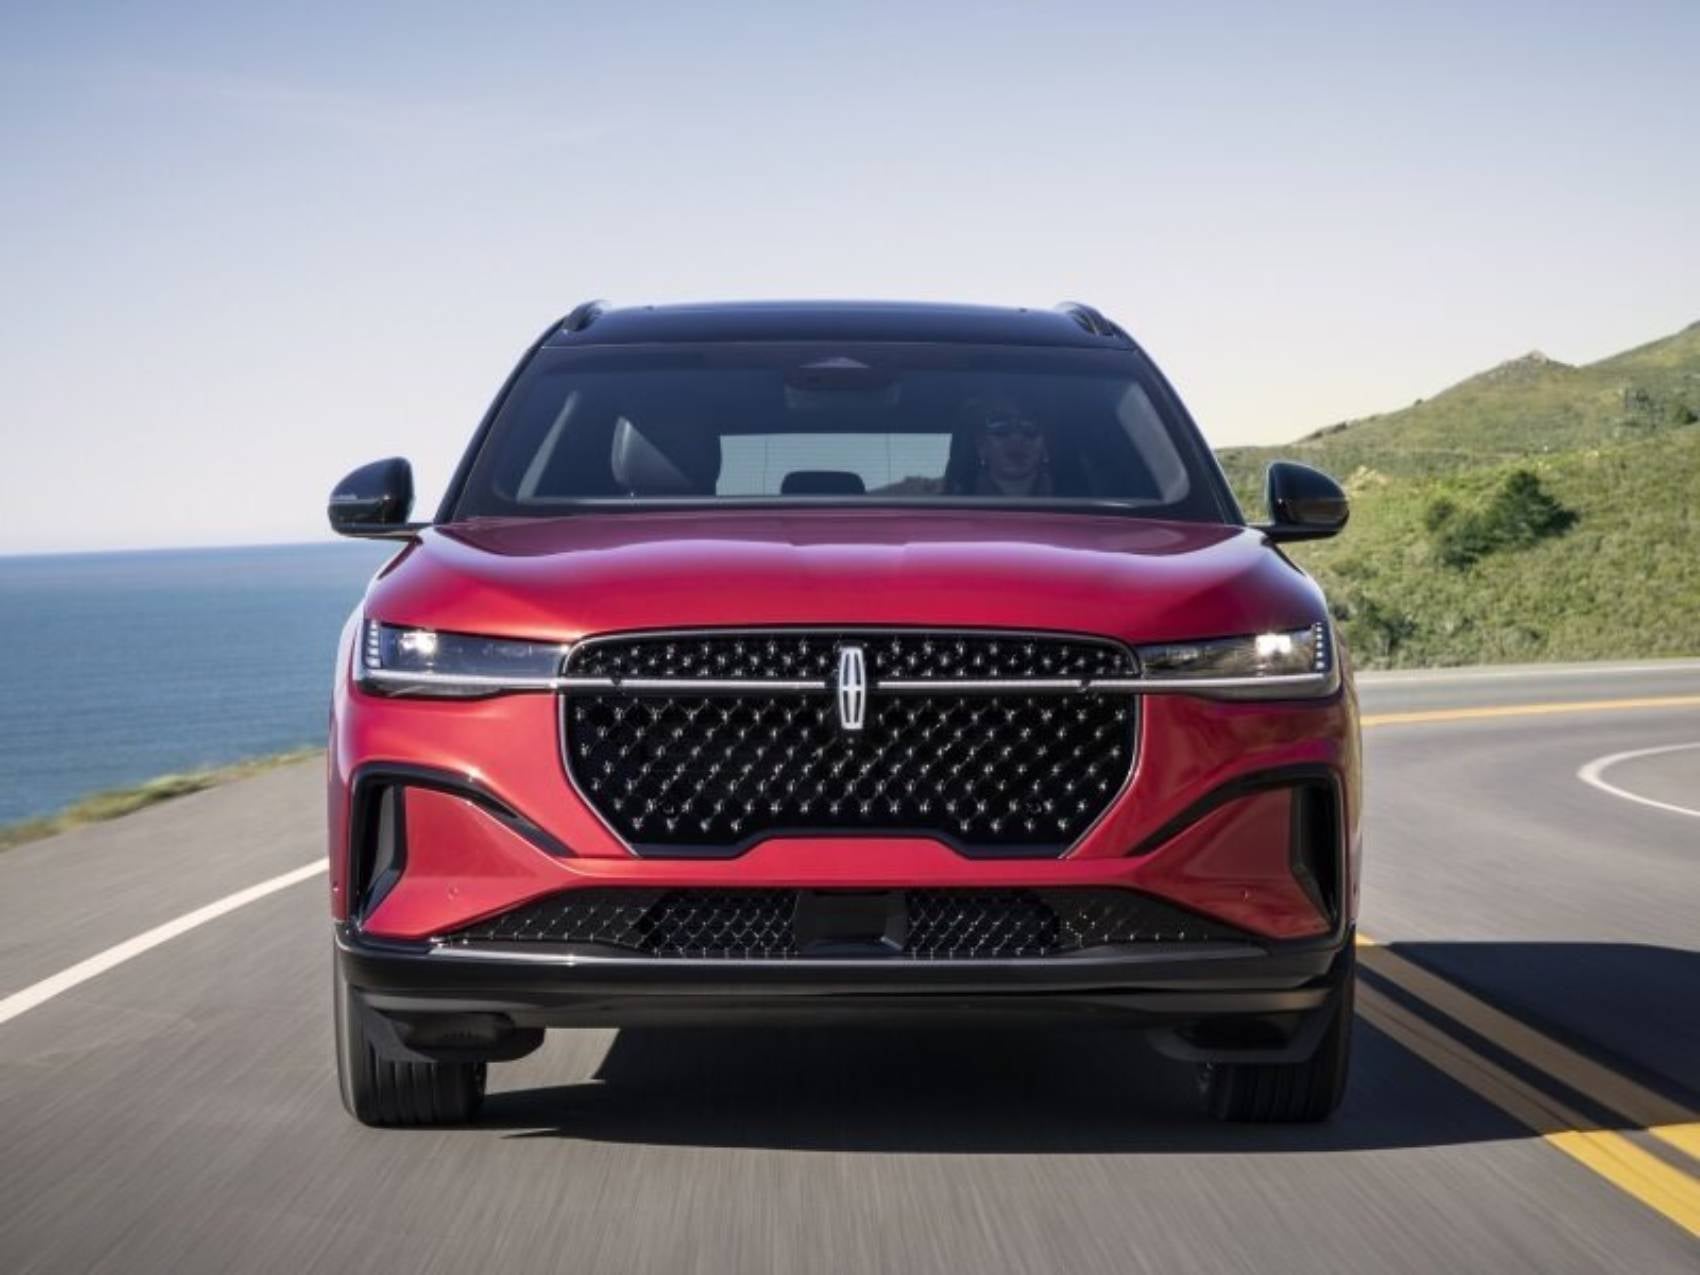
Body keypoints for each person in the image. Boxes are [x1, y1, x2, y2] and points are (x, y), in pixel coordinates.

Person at [951, 395, 1054, 496]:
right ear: (981, 446)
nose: (1016, 439)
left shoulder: (1068, 497)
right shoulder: (953, 503)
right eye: (1001, 427)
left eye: (1029, 428)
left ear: (1045, 445)